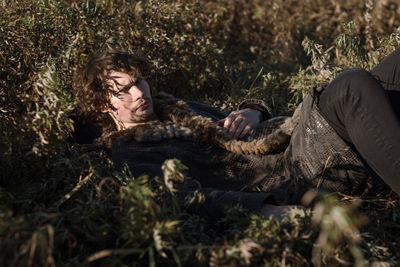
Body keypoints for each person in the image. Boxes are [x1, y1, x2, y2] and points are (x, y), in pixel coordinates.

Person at [72, 49, 400, 219]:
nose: (138, 93)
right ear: (103, 105)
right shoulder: (131, 153)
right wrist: (268, 209)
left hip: (292, 138)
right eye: (123, 91)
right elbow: (189, 198)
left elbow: (234, 119)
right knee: (352, 86)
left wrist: (251, 111)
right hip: (291, 173)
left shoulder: (178, 108)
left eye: (139, 81)